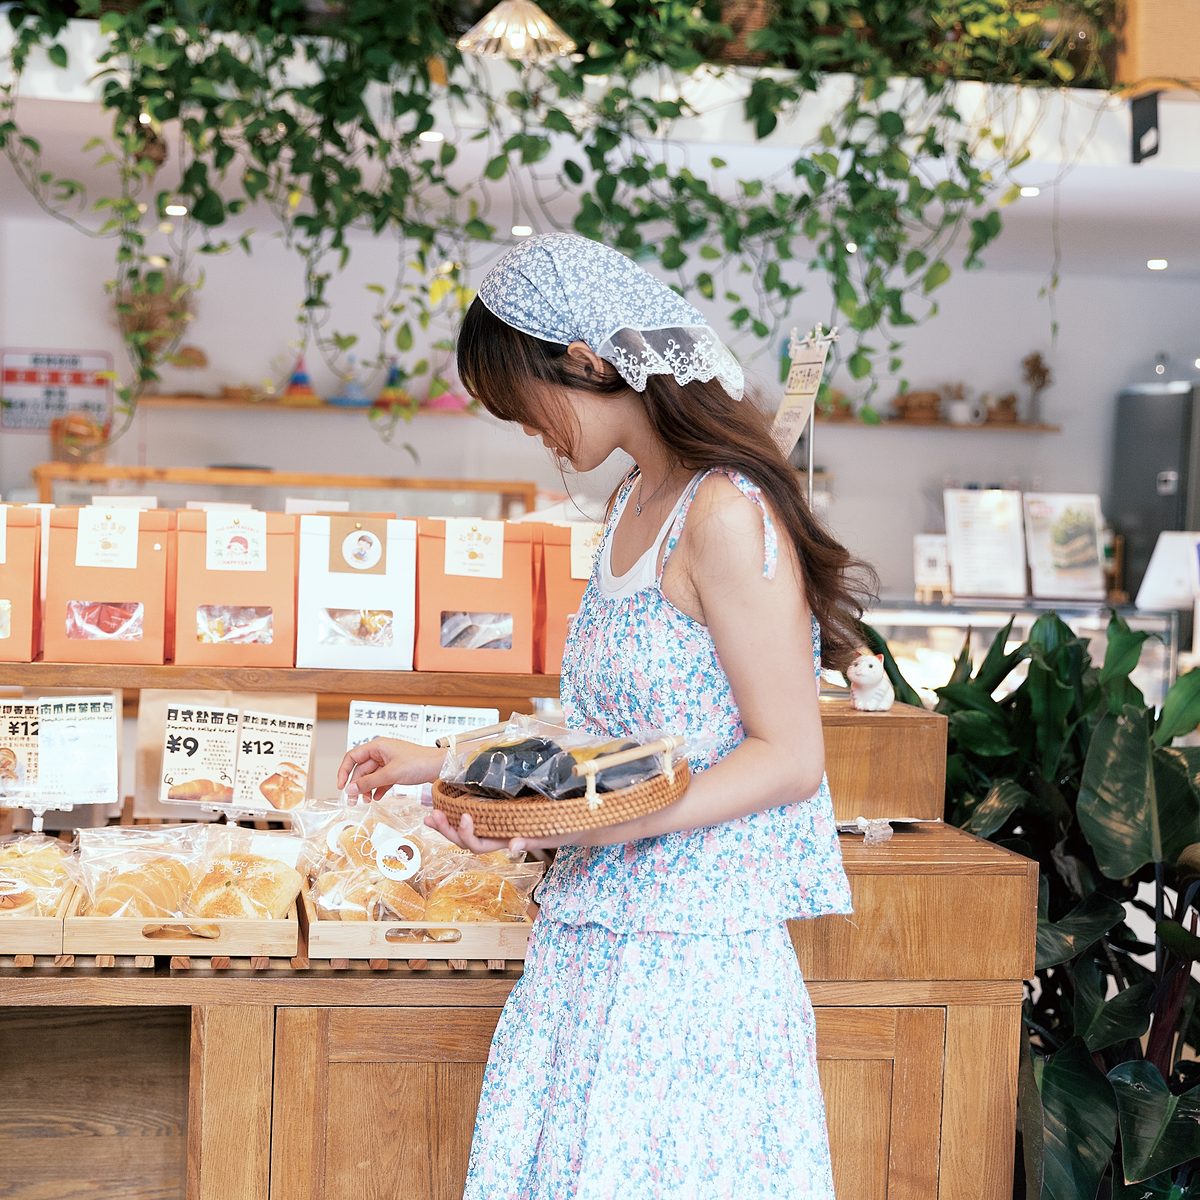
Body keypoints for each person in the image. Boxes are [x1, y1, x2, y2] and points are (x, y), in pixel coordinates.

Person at [336, 232, 875, 1199]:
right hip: (594, 933)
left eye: (522, 403)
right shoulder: (635, 498)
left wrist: (599, 824)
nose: (527, 430)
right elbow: (608, 734)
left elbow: (790, 756)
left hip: (691, 959)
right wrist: (450, 763)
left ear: (587, 362)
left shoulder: (726, 510)